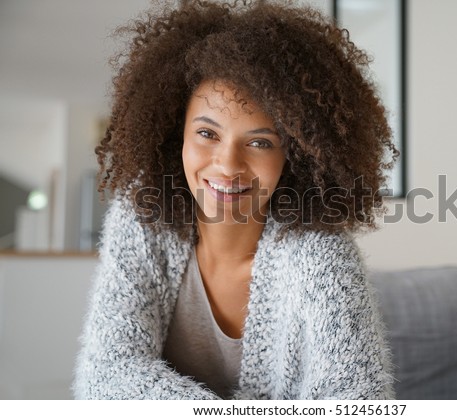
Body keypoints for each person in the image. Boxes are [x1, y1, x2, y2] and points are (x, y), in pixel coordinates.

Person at [74, 0, 398, 400]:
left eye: (260, 142)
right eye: (208, 134)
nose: (227, 165)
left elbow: (358, 400)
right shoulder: (140, 219)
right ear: (177, 135)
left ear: (295, 157)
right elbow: (104, 376)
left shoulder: (322, 256)